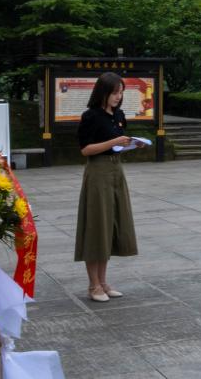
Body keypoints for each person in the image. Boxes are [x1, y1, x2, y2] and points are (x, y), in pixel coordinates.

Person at [75, 72, 139, 302]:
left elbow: (117, 145)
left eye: (121, 92)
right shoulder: (91, 116)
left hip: (116, 170)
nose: (118, 97)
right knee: (97, 225)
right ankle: (93, 285)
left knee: (110, 225)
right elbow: (86, 150)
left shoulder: (119, 115)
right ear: (103, 92)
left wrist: (132, 144)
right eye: (114, 92)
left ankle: (103, 282)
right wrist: (114, 142)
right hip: (98, 172)